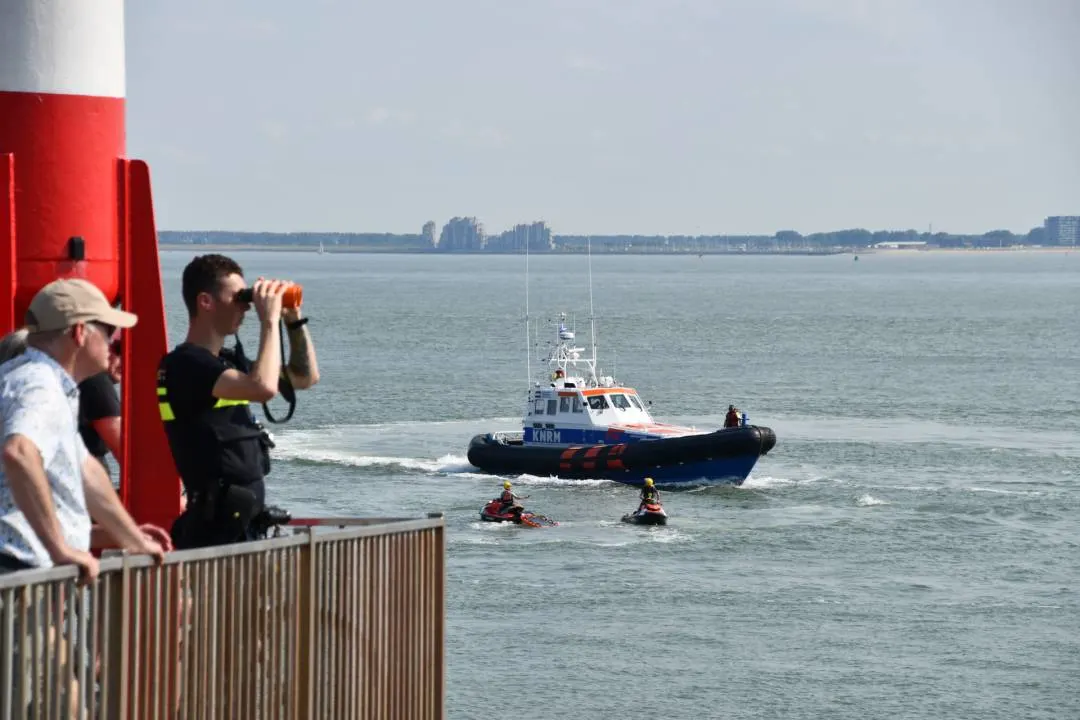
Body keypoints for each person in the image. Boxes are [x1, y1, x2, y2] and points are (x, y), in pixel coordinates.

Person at [0, 279, 169, 581]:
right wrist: (61, 550)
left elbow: (87, 472)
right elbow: (19, 452)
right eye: (107, 332)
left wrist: (131, 538)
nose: (112, 342)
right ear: (80, 332)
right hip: (16, 570)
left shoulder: (43, 382)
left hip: (23, 572)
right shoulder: (40, 384)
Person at [158, 254, 320, 550]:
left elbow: (304, 376)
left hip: (241, 528)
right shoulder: (185, 364)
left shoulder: (226, 363)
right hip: (211, 534)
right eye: (238, 297)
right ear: (205, 301)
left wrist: (292, 319)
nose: (246, 306)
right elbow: (262, 388)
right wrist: (268, 321)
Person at [78, 346, 122, 473]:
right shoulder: (97, 381)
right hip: (87, 478)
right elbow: (124, 450)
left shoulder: (79, 374)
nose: (125, 360)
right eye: (119, 350)